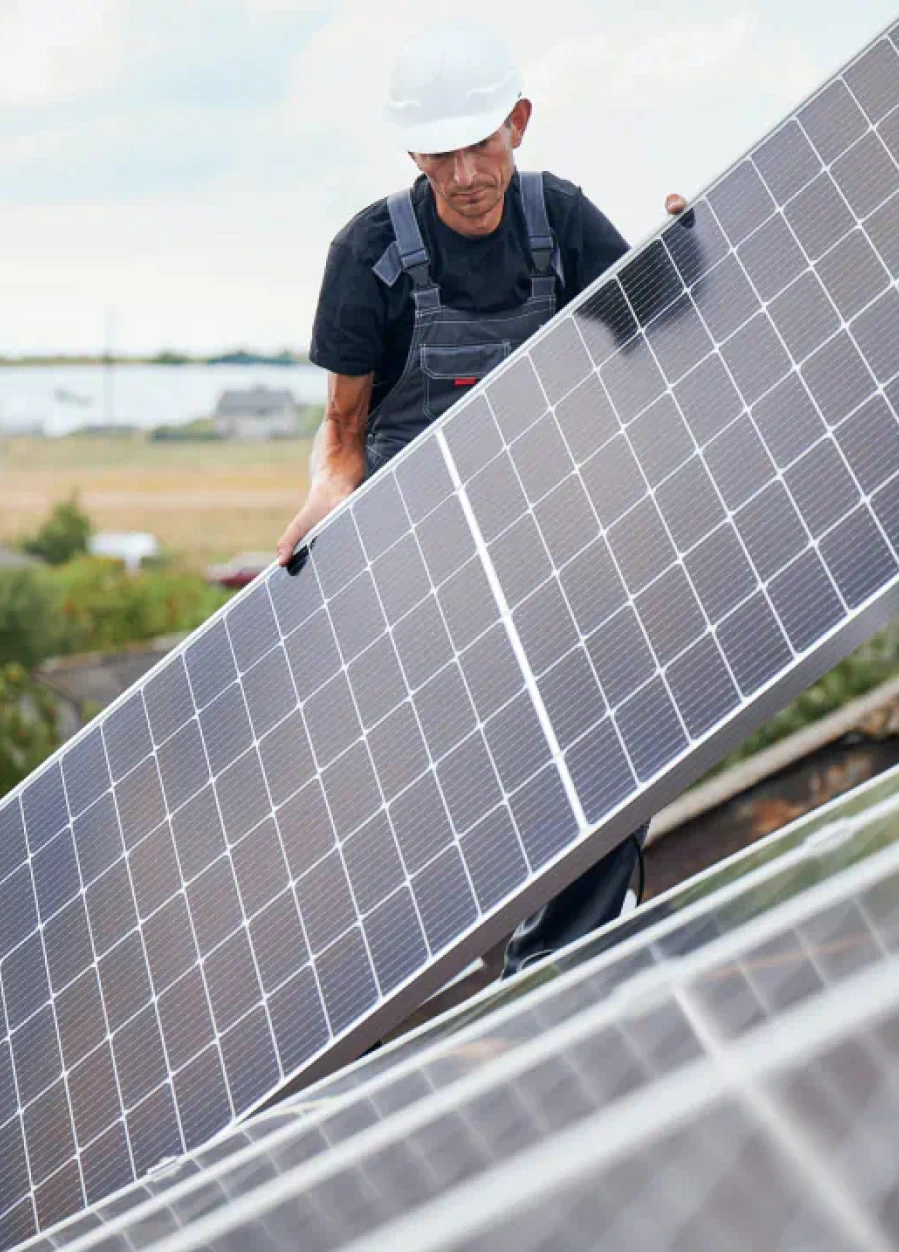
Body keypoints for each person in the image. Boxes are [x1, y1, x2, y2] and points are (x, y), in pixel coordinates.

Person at [280, 24, 679, 976]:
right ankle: (489, 961)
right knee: (486, 784)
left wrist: (685, 246)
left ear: (519, 125)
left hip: (551, 538)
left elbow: (661, 345)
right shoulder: (369, 253)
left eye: (482, 143)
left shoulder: (563, 223)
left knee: (628, 737)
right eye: (442, 151)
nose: (466, 173)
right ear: (414, 153)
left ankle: (554, 972)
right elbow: (343, 440)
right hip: (428, 570)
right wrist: (326, 511)